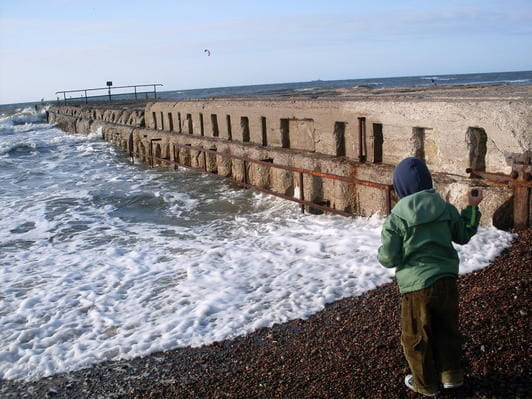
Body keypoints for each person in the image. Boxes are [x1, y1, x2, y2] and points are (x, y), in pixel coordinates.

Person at [378, 157, 483, 396]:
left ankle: (425, 384)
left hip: (416, 287)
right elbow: (463, 235)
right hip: (446, 279)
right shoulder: (445, 208)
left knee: (416, 337)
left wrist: (381, 254)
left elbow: (389, 259)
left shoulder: (396, 218)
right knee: (447, 329)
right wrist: (472, 207)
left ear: (400, 188)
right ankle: (451, 375)